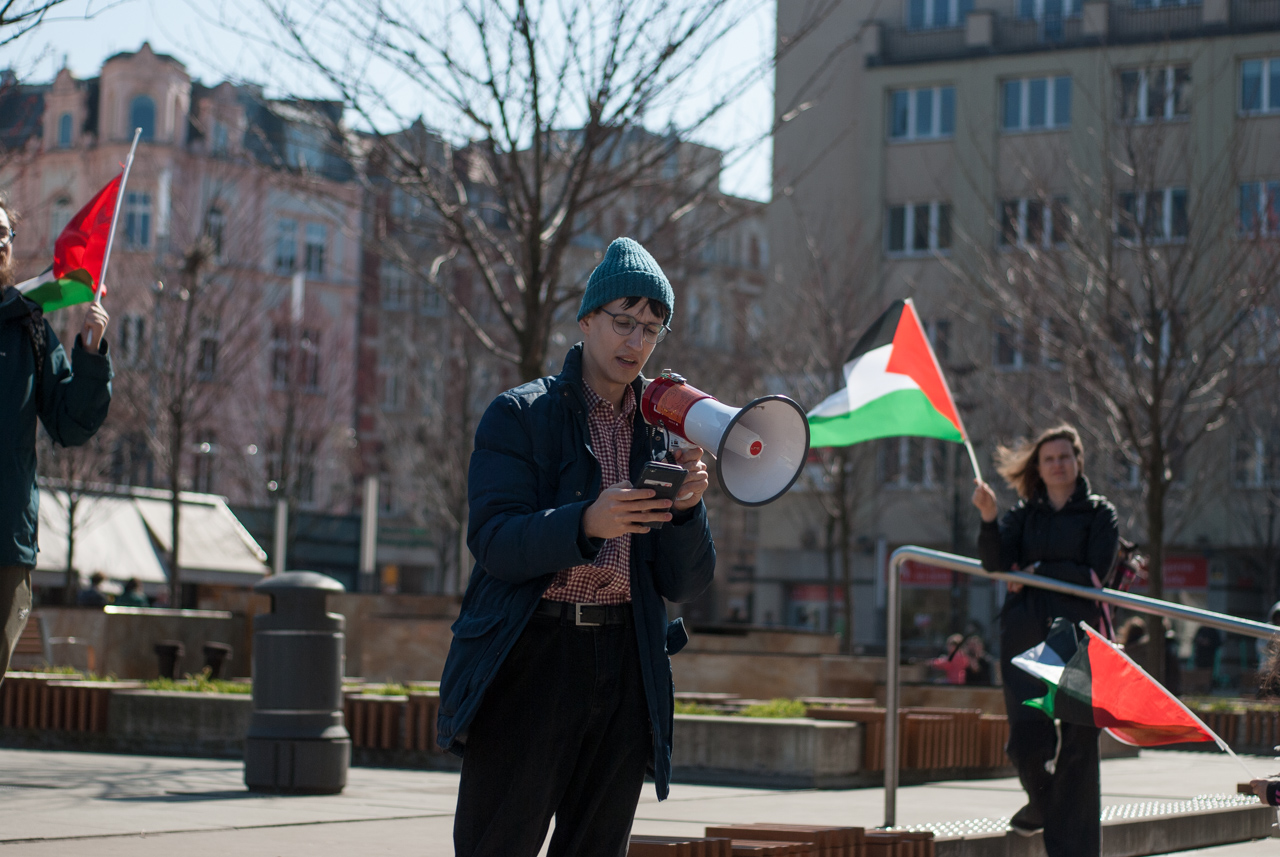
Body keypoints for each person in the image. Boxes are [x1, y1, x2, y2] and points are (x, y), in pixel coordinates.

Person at [437, 237, 716, 857]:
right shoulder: (520, 414)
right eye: (622, 321)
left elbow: (686, 583)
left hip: (625, 663)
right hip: (533, 657)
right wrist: (585, 523)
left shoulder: (662, 432)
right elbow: (493, 541)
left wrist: (688, 512)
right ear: (587, 320)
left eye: (650, 328)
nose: (635, 341)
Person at [972, 424, 1118, 857]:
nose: (1057, 465)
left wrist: (1036, 572)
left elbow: (1095, 575)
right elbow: (995, 563)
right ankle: (1040, 803)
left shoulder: (1099, 514)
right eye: (1049, 458)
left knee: (1078, 747)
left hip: (1076, 636)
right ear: (1038, 466)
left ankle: (1073, 851)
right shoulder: (1023, 516)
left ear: (1078, 462)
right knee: (1026, 740)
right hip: (1024, 634)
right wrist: (988, 517)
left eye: (1064, 457)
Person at [0, 197, 112, 687]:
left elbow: (70, 424)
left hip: (5, 542)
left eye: (3, 234)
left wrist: (89, 354)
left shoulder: (28, 325)